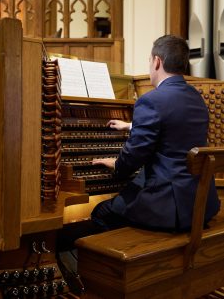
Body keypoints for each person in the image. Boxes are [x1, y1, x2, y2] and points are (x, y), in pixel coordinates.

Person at [91, 34, 220, 232]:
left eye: (150, 60)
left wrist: (117, 165)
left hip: (168, 207)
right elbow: (174, 126)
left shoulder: (151, 100)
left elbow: (134, 156)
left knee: (101, 212)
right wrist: (131, 126)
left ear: (157, 61)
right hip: (200, 204)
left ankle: (126, 260)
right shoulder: (196, 98)